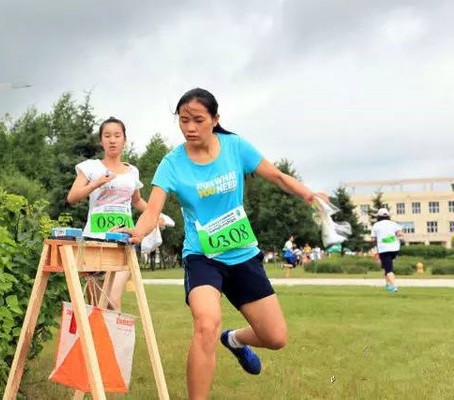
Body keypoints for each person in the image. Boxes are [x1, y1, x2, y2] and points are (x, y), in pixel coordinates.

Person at [116, 88, 327, 399]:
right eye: (183, 120)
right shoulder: (172, 163)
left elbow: (278, 177)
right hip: (202, 257)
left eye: (198, 120)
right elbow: (152, 210)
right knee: (206, 324)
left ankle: (235, 340)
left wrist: (309, 194)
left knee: (276, 336)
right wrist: (136, 232)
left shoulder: (235, 146)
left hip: (242, 254)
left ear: (215, 120)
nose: (190, 127)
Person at [67, 116, 162, 310]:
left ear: (124, 140)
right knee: (96, 305)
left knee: (111, 300)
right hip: (95, 240)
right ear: (101, 140)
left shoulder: (132, 171)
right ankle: (102, 341)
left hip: (123, 241)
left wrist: (154, 215)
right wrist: (97, 183)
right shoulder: (91, 167)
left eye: (117, 135)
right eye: (107, 136)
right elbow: (72, 197)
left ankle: (117, 340)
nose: (112, 140)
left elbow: (136, 201)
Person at [370, 208, 403, 293]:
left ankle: (393, 286)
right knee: (386, 266)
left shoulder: (376, 225)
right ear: (388, 215)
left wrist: (374, 248)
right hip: (395, 248)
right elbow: (400, 234)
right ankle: (387, 285)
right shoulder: (393, 224)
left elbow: (373, 239)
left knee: (389, 269)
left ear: (379, 216)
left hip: (384, 249)